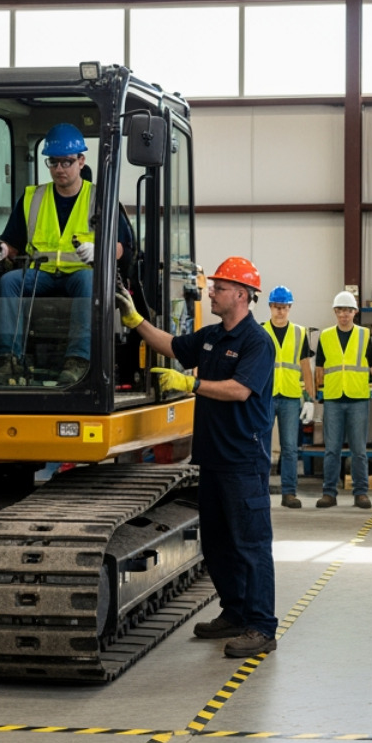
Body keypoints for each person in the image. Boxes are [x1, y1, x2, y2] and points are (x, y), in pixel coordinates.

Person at [117, 256, 278, 659]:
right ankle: (235, 613)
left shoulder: (257, 342)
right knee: (219, 544)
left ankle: (261, 627)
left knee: (251, 545)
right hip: (213, 458)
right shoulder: (211, 337)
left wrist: (192, 383)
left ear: (241, 295)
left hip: (243, 460)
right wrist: (136, 320)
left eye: (219, 288)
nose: (211, 293)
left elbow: (239, 390)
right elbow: (172, 346)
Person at [0, 123, 131, 387]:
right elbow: (12, 244)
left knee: (89, 281)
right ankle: (9, 361)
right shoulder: (33, 198)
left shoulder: (101, 198)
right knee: (9, 282)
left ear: (81, 161)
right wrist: (0, 250)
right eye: (53, 162)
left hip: (80, 274)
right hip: (42, 274)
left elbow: (122, 248)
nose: (59, 169)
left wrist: (101, 251)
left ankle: (78, 362)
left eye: (66, 162)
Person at [314, 291, 372, 509]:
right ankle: (329, 493)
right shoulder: (325, 336)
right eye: (340, 310)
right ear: (335, 312)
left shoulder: (364, 335)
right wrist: (314, 397)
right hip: (333, 398)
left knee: (359, 450)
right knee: (331, 449)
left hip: (358, 398)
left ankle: (361, 493)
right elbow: (319, 369)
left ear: (355, 312)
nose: (344, 315)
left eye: (348, 310)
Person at [263, 286, 317, 508]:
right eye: (277, 307)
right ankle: (260, 491)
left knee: (290, 448)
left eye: (284, 307)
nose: (280, 311)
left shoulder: (299, 333)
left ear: (290, 308)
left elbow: (306, 368)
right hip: (265, 396)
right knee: (261, 446)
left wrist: (310, 399)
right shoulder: (260, 331)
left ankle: (289, 493)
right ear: (270, 307)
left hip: (291, 397)